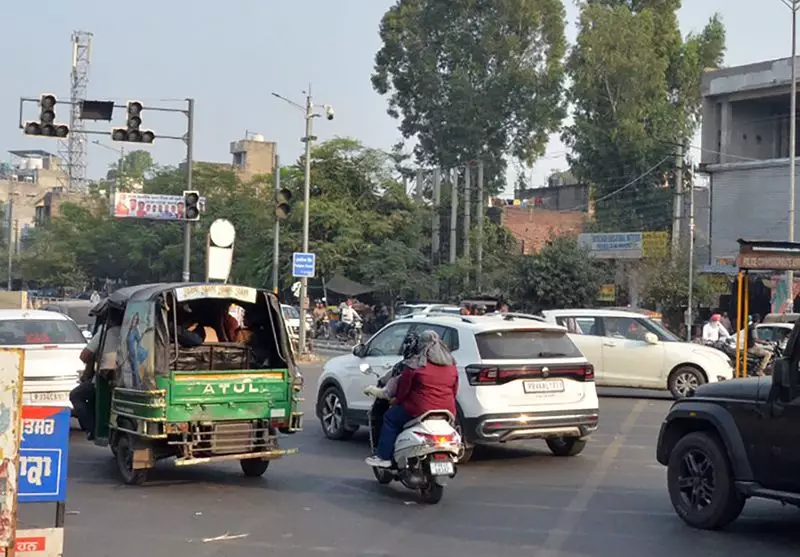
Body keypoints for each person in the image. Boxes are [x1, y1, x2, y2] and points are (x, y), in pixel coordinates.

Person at [365, 330, 459, 468]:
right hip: (447, 410)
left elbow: (403, 392)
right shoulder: (452, 366)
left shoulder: (414, 365)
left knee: (390, 418)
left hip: (418, 409)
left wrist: (396, 401)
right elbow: (454, 390)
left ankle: (384, 457)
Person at [71, 311, 122, 440]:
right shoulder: (130, 331)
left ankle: (92, 429)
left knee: (76, 395)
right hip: (126, 378)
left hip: (107, 378)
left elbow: (84, 356)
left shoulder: (106, 333)